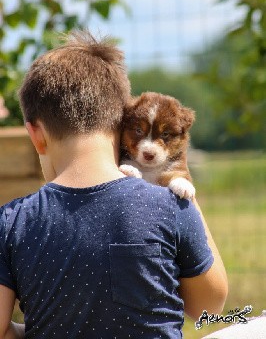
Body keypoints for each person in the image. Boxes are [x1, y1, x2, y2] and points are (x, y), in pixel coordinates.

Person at [0, 30, 227, 339]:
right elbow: (210, 306)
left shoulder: (12, 222)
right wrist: (181, 184)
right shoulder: (170, 206)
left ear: (36, 134)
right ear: (121, 121)